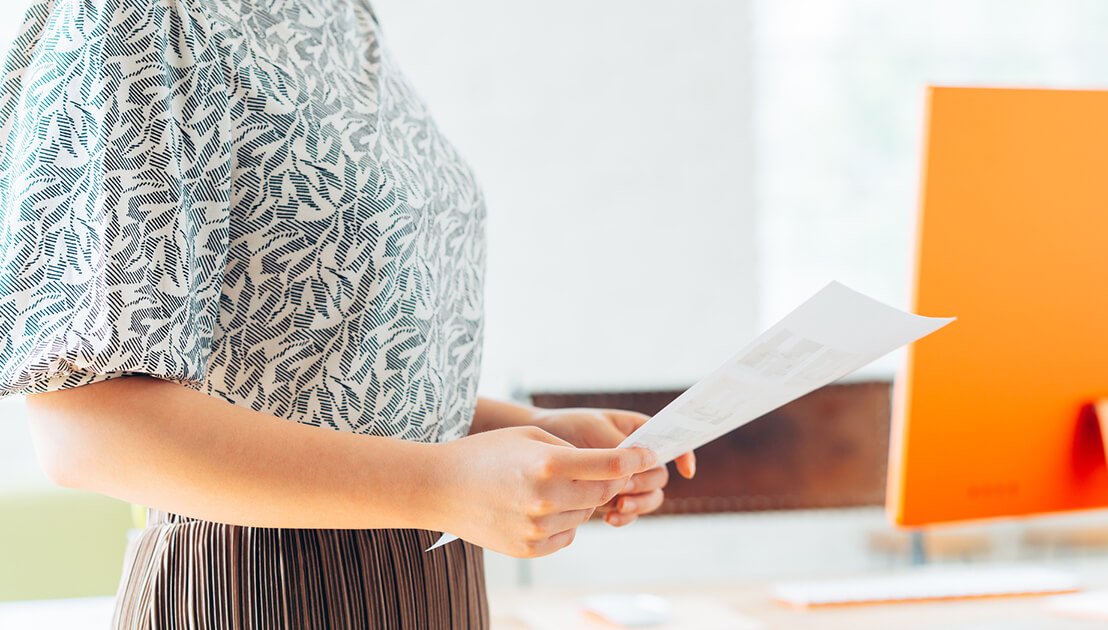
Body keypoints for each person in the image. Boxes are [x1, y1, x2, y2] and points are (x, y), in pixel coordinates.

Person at [0, 0, 696, 627]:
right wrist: (445, 483)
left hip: (435, 583)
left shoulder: (343, 17)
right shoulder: (139, 18)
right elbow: (89, 426)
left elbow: (331, 372)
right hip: (257, 594)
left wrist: (532, 435)